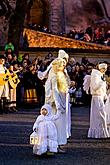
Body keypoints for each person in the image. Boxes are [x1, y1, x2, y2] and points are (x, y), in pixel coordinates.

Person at [38, 50, 71, 141]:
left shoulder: (60, 73)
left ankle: (57, 141)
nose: (64, 65)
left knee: (59, 122)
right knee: (55, 122)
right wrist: (58, 103)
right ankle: (54, 141)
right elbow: (54, 90)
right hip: (55, 101)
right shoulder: (54, 74)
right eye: (62, 64)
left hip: (60, 100)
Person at [88, 63, 109, 138]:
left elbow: (102, 88)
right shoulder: (95, 75)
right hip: (96, 97)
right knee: (100, 114)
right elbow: (94, 87)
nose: (105, 70)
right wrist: (101, 82)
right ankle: (99, 132)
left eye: (106, 68)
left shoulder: (101, 75)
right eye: (103, 68)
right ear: (100, 68)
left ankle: (101, 133)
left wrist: (105, 94)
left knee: (100, 115)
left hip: (100, 97)